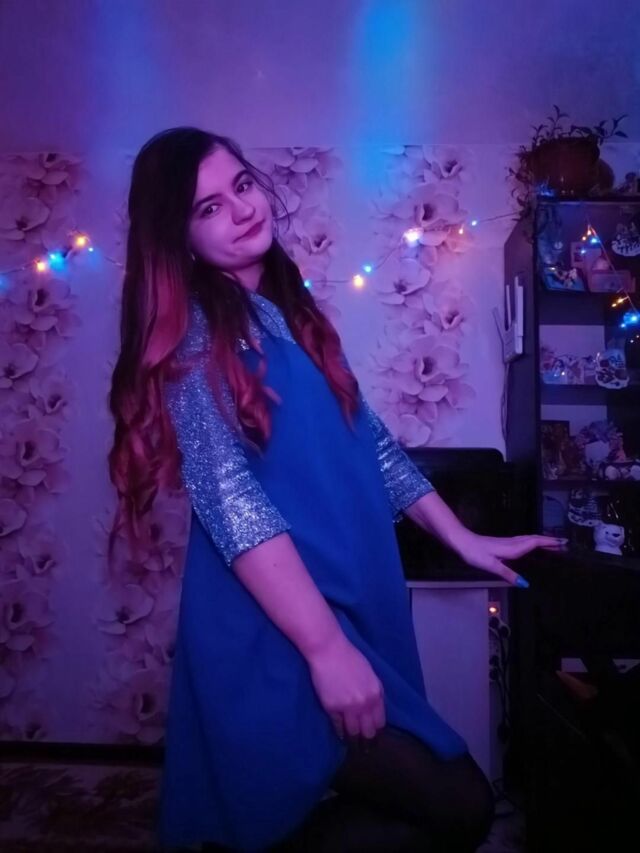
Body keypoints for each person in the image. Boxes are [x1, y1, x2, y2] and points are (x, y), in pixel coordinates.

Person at [107, 127, 567, 852]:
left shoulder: (291, 312)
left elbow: (373, 445)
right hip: (274, 627)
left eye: (242, 185)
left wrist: (464, 538)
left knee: (428, 806)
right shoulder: (194, 333)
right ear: (180, 239)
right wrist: (325, 649)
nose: (241, 209)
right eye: (207, 208)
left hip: (341, 601)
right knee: (457, 804)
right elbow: (230, 503)